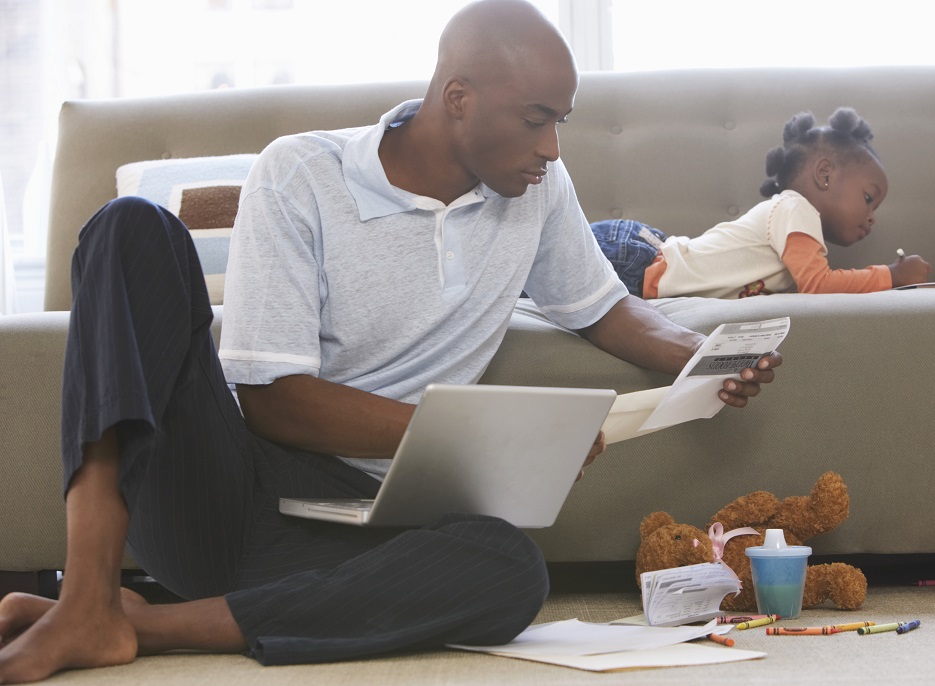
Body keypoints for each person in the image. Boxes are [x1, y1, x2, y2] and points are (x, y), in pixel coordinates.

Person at [0, 1, 782, 682]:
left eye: (561, 123)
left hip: (367, 529)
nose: (551, 148)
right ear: (459, 99)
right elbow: (274, 403)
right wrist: (483, 442)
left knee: (509, 571)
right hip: (230, 494)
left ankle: (128, 621)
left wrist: (703, 361)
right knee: (128, 229)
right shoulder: (301, 174)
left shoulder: (537, 193)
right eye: (536, 119)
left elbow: (604, 310)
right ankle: (88, 594)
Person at [592, 107, 933, 300]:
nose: (871, 218)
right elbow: (819, 286)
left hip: (643, 267)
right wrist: (892, 276)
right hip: (635, 259)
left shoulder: (797, 236)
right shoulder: (795, 209)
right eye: (869, 198)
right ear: (825, 174)